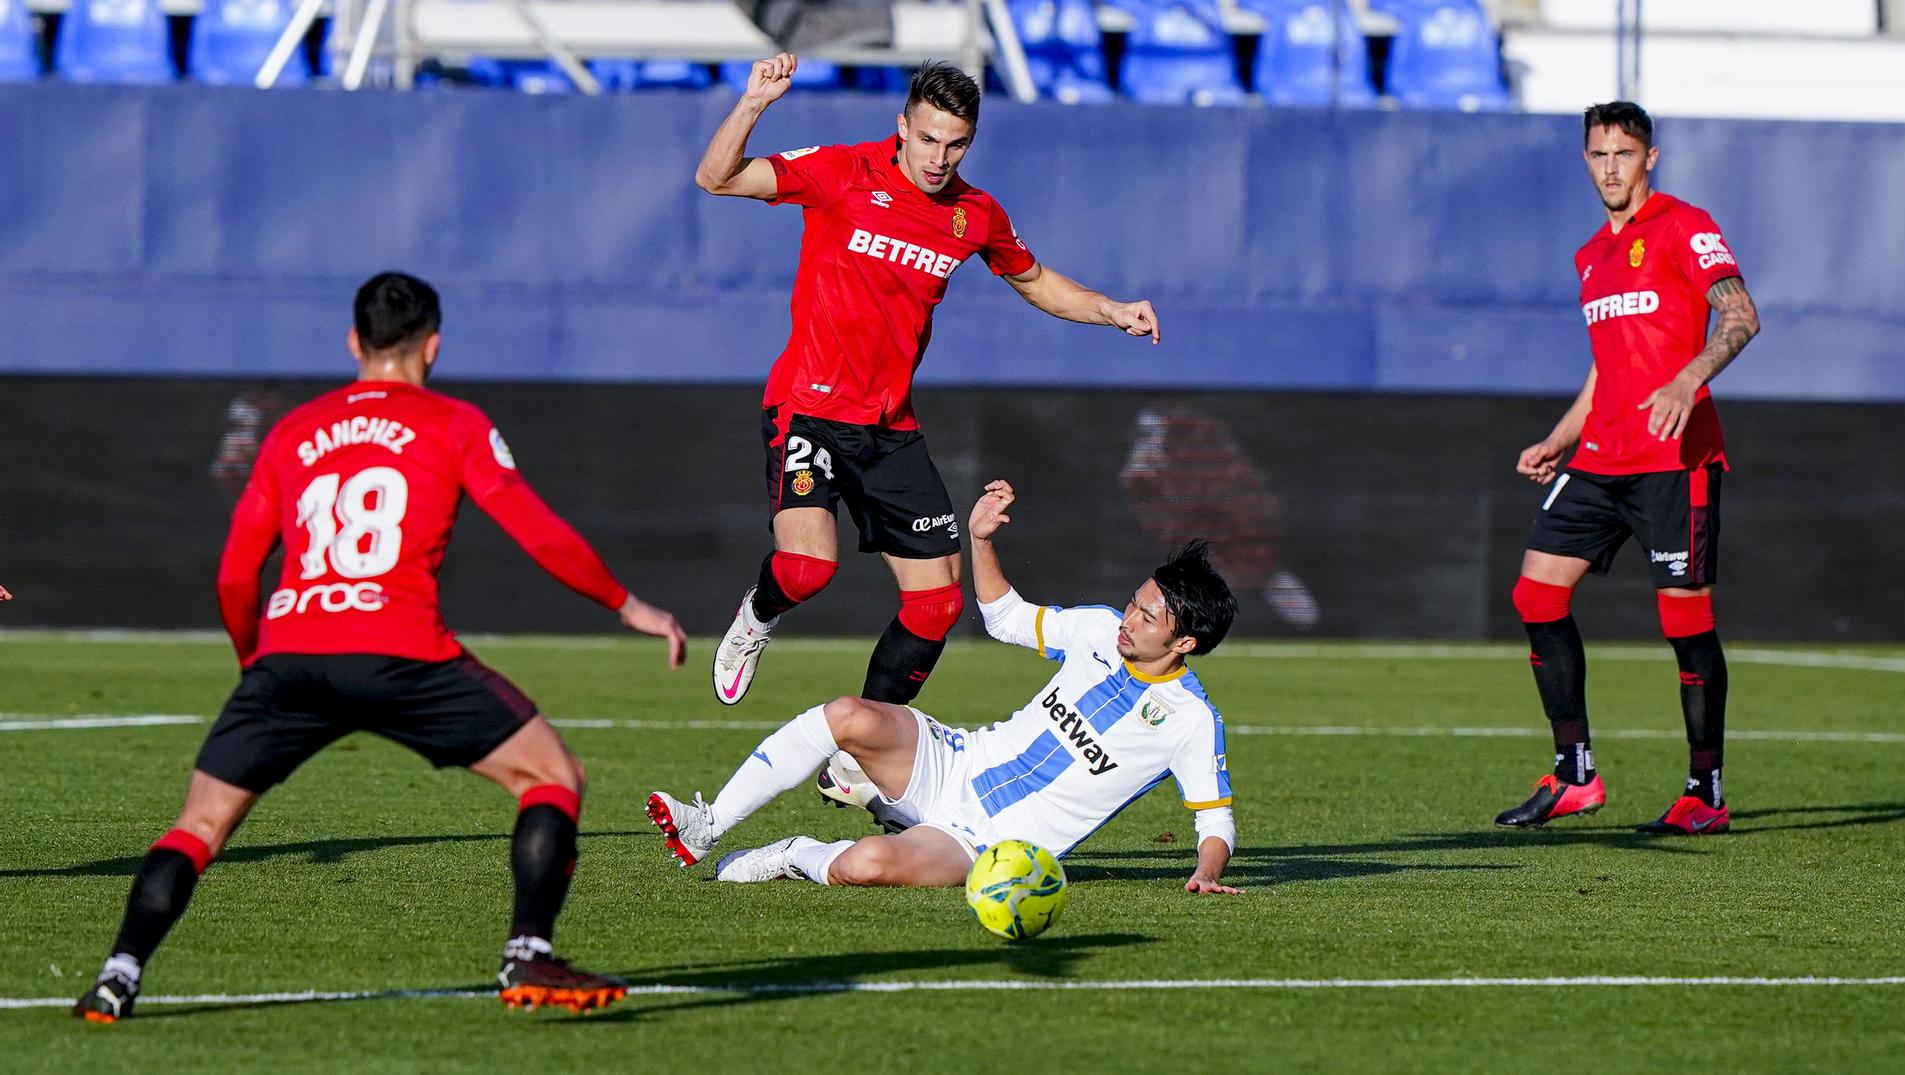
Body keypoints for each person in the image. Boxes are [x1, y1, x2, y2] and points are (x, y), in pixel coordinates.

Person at [72, 273, 687, 1023]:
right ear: (432, 345)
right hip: (403, 651)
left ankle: (117, 974)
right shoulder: (453, 422)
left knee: (197, 826)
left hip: (289, 655)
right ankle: (527, 951)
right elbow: (536, 529)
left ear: (353, 343)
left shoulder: (294, 429)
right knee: (553, 774)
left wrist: (254, 664)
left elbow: (236, 573)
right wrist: (627, 605)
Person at [694, 55, 1163, 709]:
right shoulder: (843, 171)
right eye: (928, 138)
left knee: (937, 603)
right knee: (806, 568)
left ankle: (865, 753)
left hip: (890, 430)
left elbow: (1036, 281)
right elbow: (715, 177)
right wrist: (752, 104)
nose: (939, 156)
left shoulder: (975, 213)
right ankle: (756, 617)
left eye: (956, 142)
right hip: (810, 409)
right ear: (902, 127)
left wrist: (1111, 309)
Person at [643, 480, 1242, 895]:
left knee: (866, 864)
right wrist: (981, 540)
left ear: (1184, 642)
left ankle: (795, 853)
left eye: (1146, 616)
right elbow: (1006, 617)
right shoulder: (1096, 628)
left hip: (981, 845)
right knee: (850, 714)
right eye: (1134, 603)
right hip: (953, 760)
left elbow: (1215, 821)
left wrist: (1208, 871)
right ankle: (709, 823)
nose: (1128, 620)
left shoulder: (1189, 720)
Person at [1496, 102, 1759, 836]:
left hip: (1675, 459)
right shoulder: (1591, 255)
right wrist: (1560, 436)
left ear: (1651, 157)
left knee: (1684, 620)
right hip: (1599, 457)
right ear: (1586, 160)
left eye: (1624, 152)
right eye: (1598, 154)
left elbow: (1741, 316)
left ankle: (1704, 791)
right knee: (1534, 595)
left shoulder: (1685, 224)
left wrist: (1687, 379)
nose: (1611, 166)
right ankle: (1575, 771)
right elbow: (1605, 367)